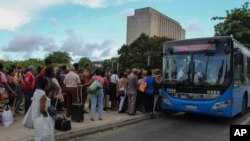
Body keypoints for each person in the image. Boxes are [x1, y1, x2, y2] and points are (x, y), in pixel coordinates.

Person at [32, 75, 54, 141]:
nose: (49, 85)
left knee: (38, 135)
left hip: (36, 117)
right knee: (45, 135)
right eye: (48, 84)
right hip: (41, 118)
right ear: (45, 85)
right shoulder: (43, 95)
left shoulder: (36, 92)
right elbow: (42, 109)